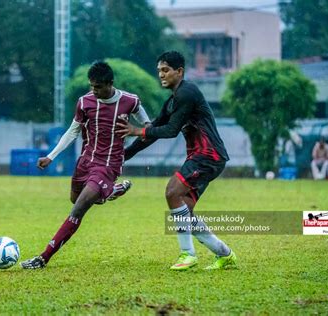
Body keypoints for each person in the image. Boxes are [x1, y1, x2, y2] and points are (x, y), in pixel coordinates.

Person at [20, 61, 151, 269]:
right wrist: (51, 156)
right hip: (86, 161)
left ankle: (43, 258)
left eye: (98, 86)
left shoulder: (130, 101)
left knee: (78, 208)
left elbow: (146, 122)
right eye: (91, 86)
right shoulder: (84, 102)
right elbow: (73, 131)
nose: (94, 90)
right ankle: (111, 191)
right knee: (74, 198)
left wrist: (142, 128)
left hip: (108, 165)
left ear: (110, 83)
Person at [116, 51, 236, 271]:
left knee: (172, 191)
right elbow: (152, 132)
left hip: (208, 155)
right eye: (159, 71)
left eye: (166, 70)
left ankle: (188, 254)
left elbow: (170, 131)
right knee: (185, 212)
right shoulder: (172, 102)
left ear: (179, 71)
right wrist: (124, 156)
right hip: (204, 157)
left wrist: (135, 129)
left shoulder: (187, 93)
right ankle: (225, 254)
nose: (161, 75)